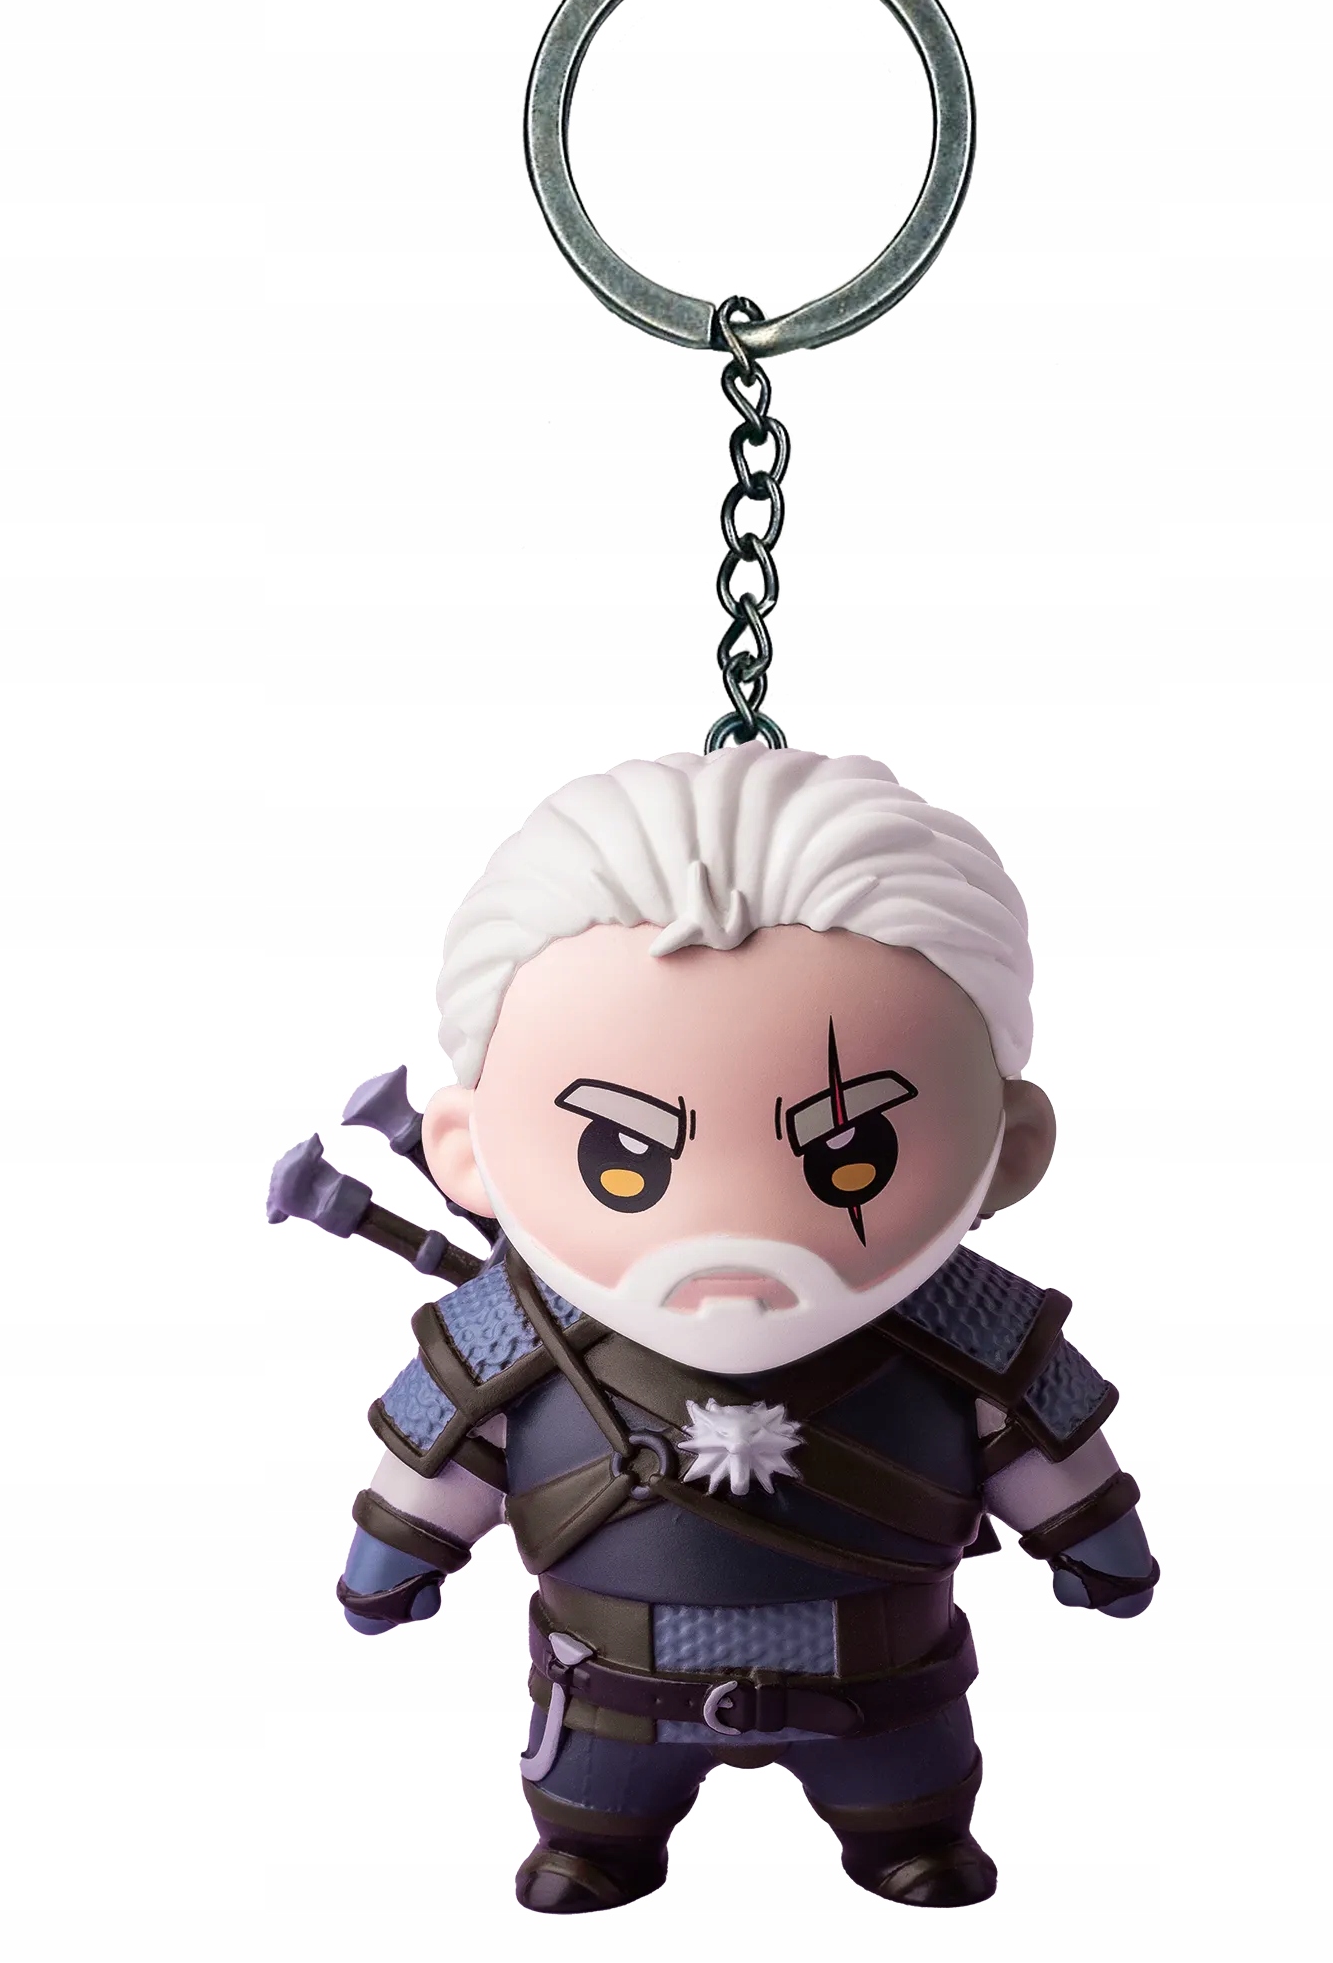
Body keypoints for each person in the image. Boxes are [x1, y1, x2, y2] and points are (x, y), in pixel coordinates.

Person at [334, 743, 1158, 1912]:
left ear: (1007, 1149)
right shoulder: (507, 1331)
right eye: (622, 1158)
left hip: (884, 1685)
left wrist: (1093, 1542)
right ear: (467, 1151)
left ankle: (907, 1836)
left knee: (912, 1800)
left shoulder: (969, 1327)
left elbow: (1046, 1444)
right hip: (610, 1691)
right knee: (591, 1812)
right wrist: (394, 1558)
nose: (732, 1223)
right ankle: (595, 1843)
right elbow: (436, 1459)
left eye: (849, 1154)